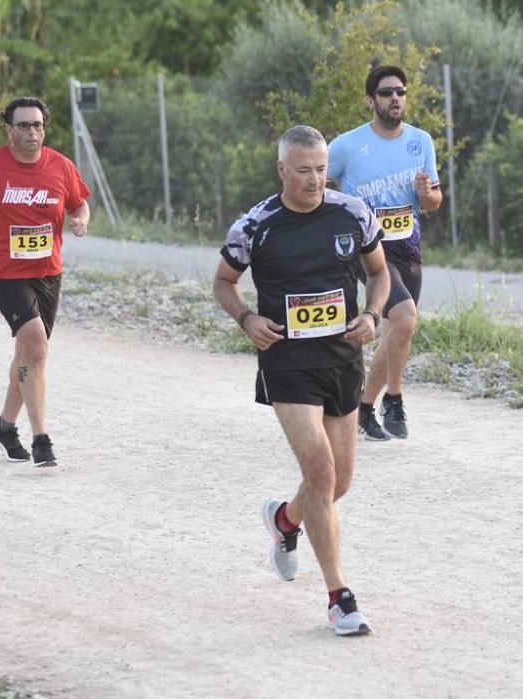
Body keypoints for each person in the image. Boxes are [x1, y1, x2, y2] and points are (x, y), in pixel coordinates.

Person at [213, 125, 389, 636]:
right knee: (320, 470)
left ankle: (286, 520)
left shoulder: (352, 213)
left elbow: (379, 274)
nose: (315, 180)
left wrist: (374, 316)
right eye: (305, 170)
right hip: (287, 362)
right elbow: (222, 283)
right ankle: (339, 597)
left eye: (322, 169)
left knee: (340, 482)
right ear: (282, 170)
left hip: (342, 358)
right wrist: (247, 320)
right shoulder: (255, 226)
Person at [0, 96, 91, 467]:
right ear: (8, 129)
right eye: (23, 125)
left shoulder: (60, 166)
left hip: (47, 273)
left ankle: (5, 427)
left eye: (37, 125)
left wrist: (81, 221)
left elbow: (80, 203)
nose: (31, 132)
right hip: (4, 274)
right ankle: (42, 440)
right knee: (36, 347)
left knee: (28, 355)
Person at [328, 65, 443, 441]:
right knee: (406, 318)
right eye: (387, 92)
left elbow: (433, 202)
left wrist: (426, 194)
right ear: (371, 100)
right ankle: (394, 398)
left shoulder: (420, 141)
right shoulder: (347, 145)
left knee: (397, 330)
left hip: (408, 246)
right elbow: (314, 180)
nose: (396, 98)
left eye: (401, 92)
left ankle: (362, 408)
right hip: (368, 249)